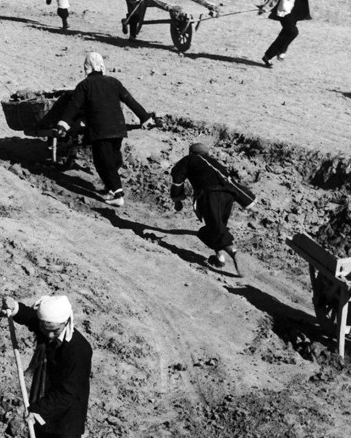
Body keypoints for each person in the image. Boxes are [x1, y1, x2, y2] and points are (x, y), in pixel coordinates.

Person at [0, 294, 92, 438]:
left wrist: (37, 410)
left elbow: (68, 393)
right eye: (44, 329)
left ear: (66, 322)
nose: (49, 336)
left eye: (54, 331)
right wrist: (15, 308)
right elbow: (32, 318)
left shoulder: (79, 350)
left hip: (67, 417)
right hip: (44, 405)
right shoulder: (48, 326)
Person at [55, 53, 153, 205]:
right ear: (102, 67)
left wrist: (63, 124)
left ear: (86, 68)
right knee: (112, 159)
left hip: (100, 130)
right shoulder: (114, 82)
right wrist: (144, 117)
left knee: (102, 162)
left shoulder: (84, 86)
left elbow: (73, 106)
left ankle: (117, 194)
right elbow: (129, 100)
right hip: (118, 128)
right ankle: (111, 187)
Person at [170, 142, 255, 274]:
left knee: (214, 227)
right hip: (228, 196)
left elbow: (177, 178)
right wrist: (247, 201)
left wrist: (177, 199)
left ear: (190, 152)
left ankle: (233, 252)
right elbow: (231, 182)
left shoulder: (189, 159)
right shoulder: (215, 163)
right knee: (217, 226)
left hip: (210, 195)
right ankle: (219, 259)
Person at [256, 0, 321, 67]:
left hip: (295, 13)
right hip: (284, 11)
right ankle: (280, 50)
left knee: (286, 33)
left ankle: (268, 56)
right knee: (292, 32)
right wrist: (265, 7)